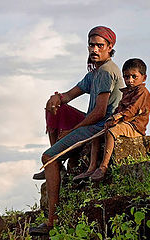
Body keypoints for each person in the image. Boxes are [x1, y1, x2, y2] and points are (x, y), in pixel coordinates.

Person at [29, 26, 124, 236]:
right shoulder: (95, 72)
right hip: (91, 123)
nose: (95, 49)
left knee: (48, 157)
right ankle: (57, 158)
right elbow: (70, 94)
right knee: (52, 105)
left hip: (99, 127)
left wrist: (72, 130)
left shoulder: (108, 71)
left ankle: (51, 221)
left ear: (110, 47)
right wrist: (57, 98)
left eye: (100, 45)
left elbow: (100, 113)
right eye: (92, 45)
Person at [73, 58, 150, 182]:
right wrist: (111, 119)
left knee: (111, 131)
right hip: (124, 122)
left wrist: (116, 118)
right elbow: (118, 109)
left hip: (134, 126)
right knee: (96, 133)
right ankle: (91, 168)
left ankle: (103, 167)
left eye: (134, 77)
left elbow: (132, 110)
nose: (130, 80)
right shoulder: (126, 92)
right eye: (127, 77)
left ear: (144, 77)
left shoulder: (142, 92)